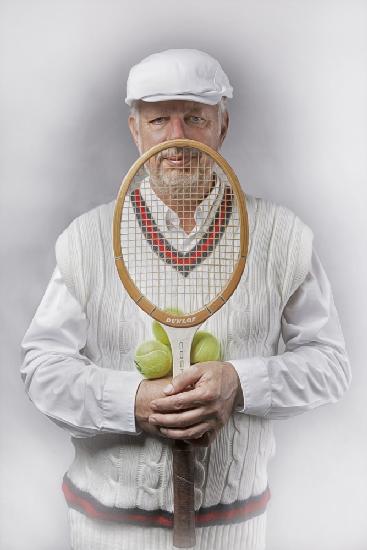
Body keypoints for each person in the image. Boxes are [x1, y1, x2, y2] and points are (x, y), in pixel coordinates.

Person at [20, 49, 351, 550]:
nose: (176, 138)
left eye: (195, 118)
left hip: (235, 535)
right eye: (159, 120)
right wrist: (133, 402)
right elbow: (42, 370)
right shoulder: (85, 239)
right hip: (106, 535)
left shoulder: (284, 237)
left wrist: (240, 382)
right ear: (135, 130)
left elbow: (330, 366)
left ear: (223, 126)